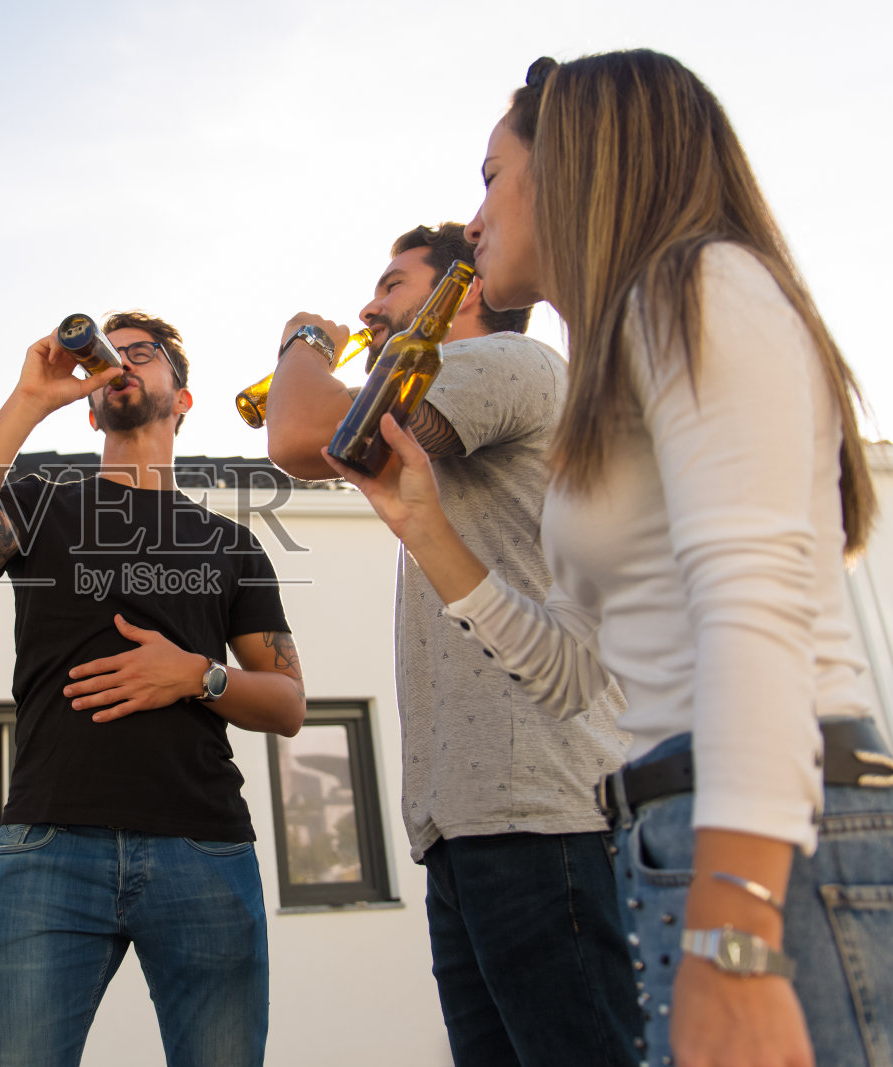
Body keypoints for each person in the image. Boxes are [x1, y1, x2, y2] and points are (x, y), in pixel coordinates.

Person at [328, 51, 893, 1067]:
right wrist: (424, 529)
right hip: (673, 840)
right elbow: (579, 668)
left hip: (790, 843)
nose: (474, 218)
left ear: (569, 160)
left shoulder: (697, 281)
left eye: (491, 176)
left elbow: (753, 608)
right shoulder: (605, 384)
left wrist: (733, 929)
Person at [267, 224, 639, 1066]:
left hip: (540, 815)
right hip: (472, 824)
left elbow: (298, 436)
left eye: (393, 285)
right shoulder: (462, 400)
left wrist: (304, 340)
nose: (370, 305)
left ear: (459, 292)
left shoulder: (505, 364)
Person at [0, 311, 305, 1067]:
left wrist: (198, 674)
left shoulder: (231, 543)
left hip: (205, 847)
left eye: (144, 355)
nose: (123, 362)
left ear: (182, 399)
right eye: (111, 356)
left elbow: (288, 704)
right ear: (90, 404)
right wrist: (29, 400)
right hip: (51, 846)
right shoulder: (39, 500)